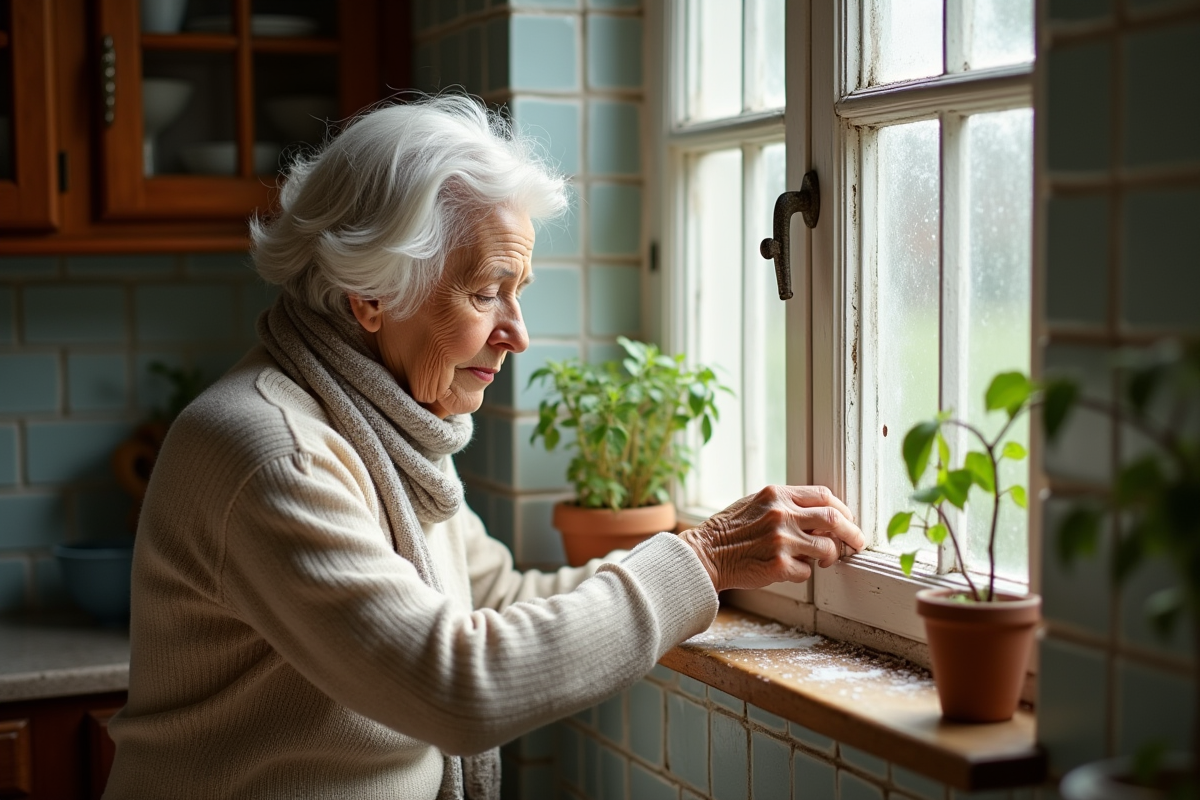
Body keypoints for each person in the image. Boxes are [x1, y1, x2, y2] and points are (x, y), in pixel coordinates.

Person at [103, 95, 865, 800]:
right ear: (371, 294)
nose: (518, 333)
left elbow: (496, 599)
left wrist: (714, 560)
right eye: (484, 291)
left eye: (520, 289)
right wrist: (702, 560)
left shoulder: (382, 424)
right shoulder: (274, 449)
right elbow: (458, 687)